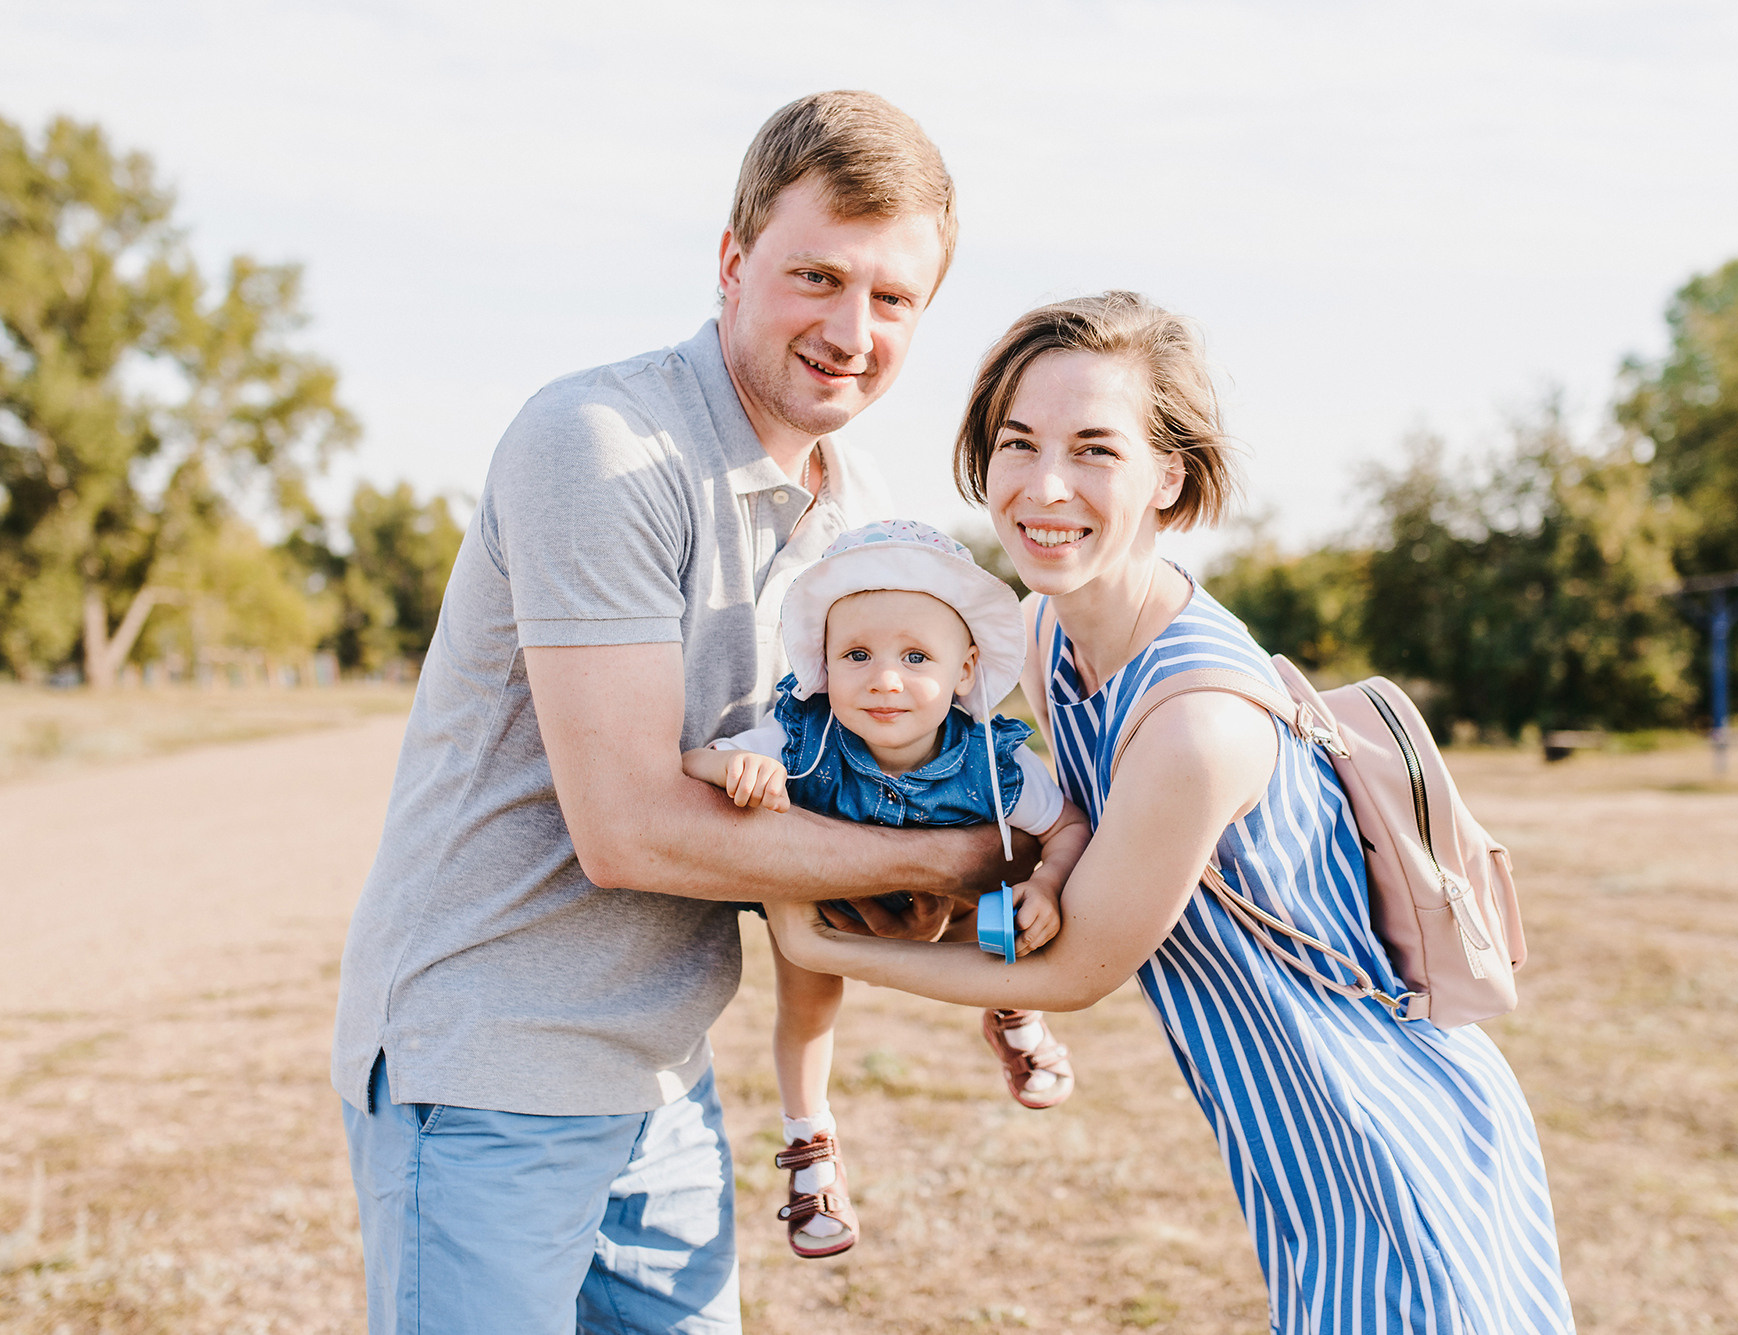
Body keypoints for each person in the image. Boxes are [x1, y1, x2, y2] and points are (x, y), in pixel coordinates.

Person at [331, 92, 1031, 1335]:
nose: (851, 331)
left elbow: (830, 781)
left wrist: (940, 890)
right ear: (730, 260)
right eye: (816, 276)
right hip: (492, 1066)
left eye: (892, 298)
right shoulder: (601, 444)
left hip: (666, 1073)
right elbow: (631, 831)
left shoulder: (862, 507)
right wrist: (963, 859)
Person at [768, 292, 1576, 1334]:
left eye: (1094, 450)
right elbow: (1041, 829)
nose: (1043, 485)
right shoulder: (1049, 637)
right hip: (1297, 1153)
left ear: (1169, 477)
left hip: (1387, 1140)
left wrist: (818, 940)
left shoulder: (1196, 725)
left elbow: (1071, 971)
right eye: (1017, 442)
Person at [682, 518, 1092, 1259]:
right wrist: (732, 767)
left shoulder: (991, 762)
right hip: (827, 902)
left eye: (915, 656)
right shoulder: (800, 738)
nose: (885, 679)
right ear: (824, 663)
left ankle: (1013, 1009)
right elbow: (696, 761)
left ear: (965, 669)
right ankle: (810, 1146)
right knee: (807, 1004)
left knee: (1001, 908)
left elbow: (1065, 825)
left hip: (955, 902)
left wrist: (1052, 882)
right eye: (857, 655)